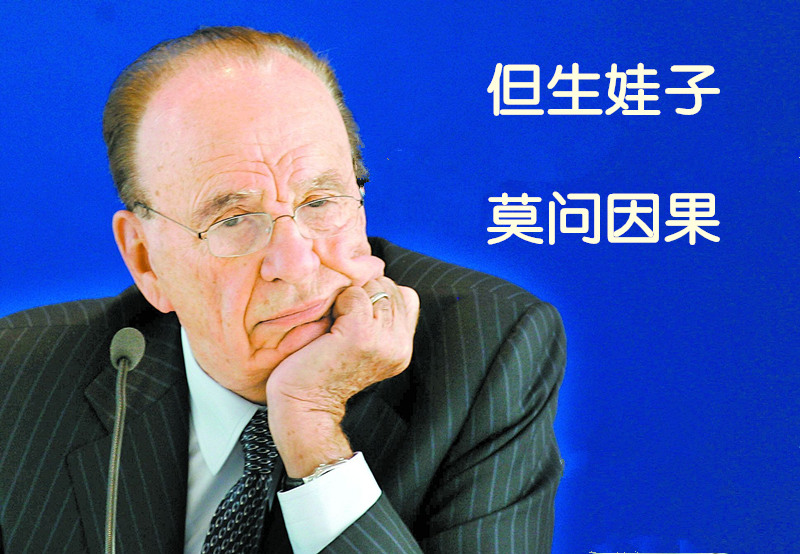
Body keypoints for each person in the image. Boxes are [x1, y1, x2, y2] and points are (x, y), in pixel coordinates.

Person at [0, 26, 565, 553]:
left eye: (320, 202)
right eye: (233, 220)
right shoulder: (16, 376)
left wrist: (311, 428)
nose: (295, 265)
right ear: (146, 261)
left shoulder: (484, 352)